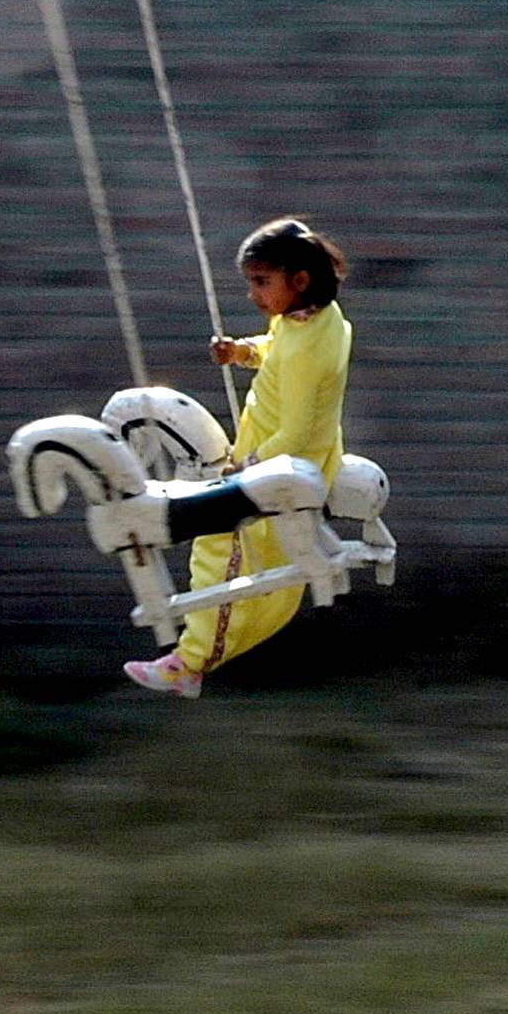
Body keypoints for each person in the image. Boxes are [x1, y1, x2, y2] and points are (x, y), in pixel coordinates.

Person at [125, 219, 353, 698]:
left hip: (279, 466)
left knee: (217, 544)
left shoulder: (307, 350)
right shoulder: (316, 320)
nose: (253, 295)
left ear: (300, 279)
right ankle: (197, 655)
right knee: (252, 560)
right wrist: (243, 352)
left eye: (260, 282)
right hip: (287, 456)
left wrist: (244, 467)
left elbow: (296, 430)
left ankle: (187, 664)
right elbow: (279, 349)